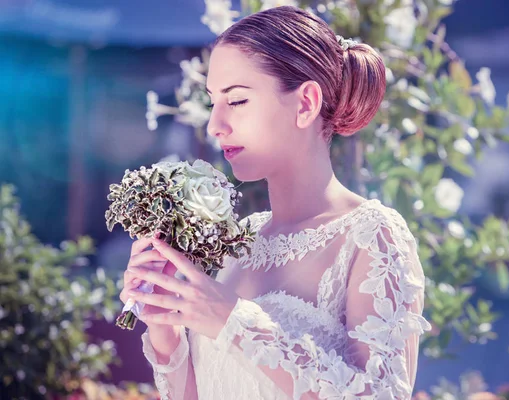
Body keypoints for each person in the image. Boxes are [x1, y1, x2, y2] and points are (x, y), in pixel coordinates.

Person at [120, 6, 431, 399]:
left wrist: (232, 319)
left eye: (236, 101)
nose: (215, 124)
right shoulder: (236, 243)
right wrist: (164, 326)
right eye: (212, 101)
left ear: (305, 104)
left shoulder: (371, 236)